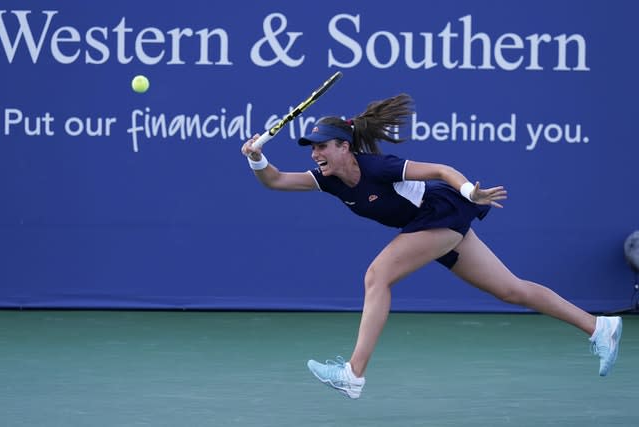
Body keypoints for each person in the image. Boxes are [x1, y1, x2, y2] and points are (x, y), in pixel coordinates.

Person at [240, 93, 623, 399]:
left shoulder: (378, 168)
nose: (315, 154)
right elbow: (275, 181)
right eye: (312, 148)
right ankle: (598, 327)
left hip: (442, 211)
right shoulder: (329, 180)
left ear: (345, 147)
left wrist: (470, 189)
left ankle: (353, 374)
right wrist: (257, 158)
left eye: (322, 147)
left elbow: (440, 170)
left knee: (377, 276)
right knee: (512, 289)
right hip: (428, 225)